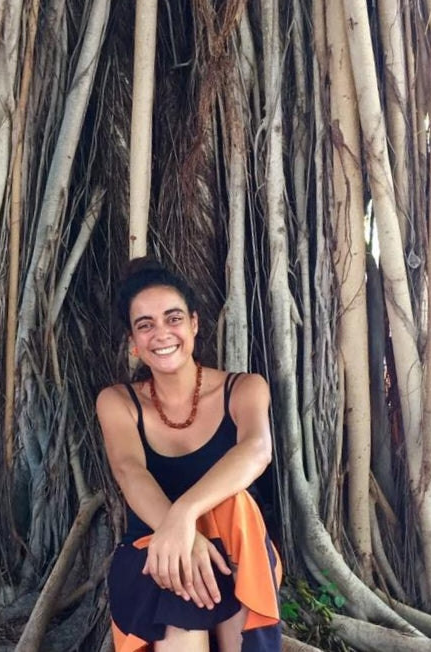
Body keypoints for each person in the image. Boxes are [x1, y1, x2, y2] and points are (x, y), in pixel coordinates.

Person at [96, 257, 282, 652]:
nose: (161, 333)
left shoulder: (245, 388)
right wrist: (179, 537)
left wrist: (184, 516)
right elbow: (129, 471)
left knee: (237, 506)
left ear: (194, 323)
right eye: (145, 325)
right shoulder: (118, 402)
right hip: (151, 550)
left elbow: (257, 450)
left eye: (173, 318)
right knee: (175, 585)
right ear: (132, 341)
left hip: (236, 550)